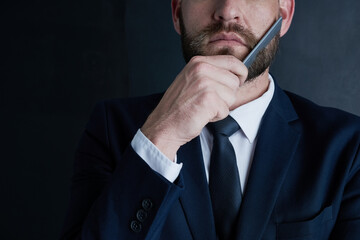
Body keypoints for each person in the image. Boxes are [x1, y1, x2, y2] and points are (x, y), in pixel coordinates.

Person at [60, 0, 360, 239]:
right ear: (178, 12)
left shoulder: (349, 146)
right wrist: (161, 136)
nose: (228, 11)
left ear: (284, 13)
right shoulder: (111, 128)